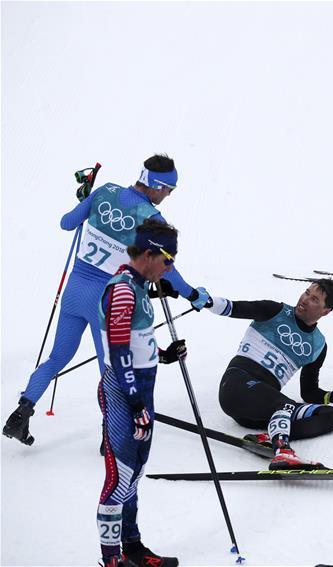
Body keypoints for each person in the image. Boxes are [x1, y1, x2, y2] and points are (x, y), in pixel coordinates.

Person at [3, 154, 212, 446]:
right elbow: (167, 271)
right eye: (168, 189)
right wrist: (193, 294)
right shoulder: (152, 219)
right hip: (104, 303)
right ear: (154, 184)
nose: (168, 195)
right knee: (111, 372)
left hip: (74, 292)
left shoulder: (105, 191)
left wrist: (87, 201)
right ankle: (110, 434)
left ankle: (22, 410)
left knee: (56, 359)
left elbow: (67, 223)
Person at [97, 219, 185, 567]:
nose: (170, 267)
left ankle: (132, 548)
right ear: (149, 253)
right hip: (123, 394)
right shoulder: (122, 289)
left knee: (134, 474)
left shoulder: (139, 287)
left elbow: (136, 344)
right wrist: (135, 404)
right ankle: (111, 560)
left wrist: (163, 355)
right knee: (119, 478)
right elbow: (118, 353)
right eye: (169, 259)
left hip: (139, 392)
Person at [206, 279, 333, 469]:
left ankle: (267, 437)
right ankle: (282, 452)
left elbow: (309, 392)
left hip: (265, 409)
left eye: (314, 299)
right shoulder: (275, 311)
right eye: (306, 292)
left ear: (326, 311)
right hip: (236, 387)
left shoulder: (318, 345)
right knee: (285, 404)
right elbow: (233, 308)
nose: (304, 300)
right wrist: (205, 300)